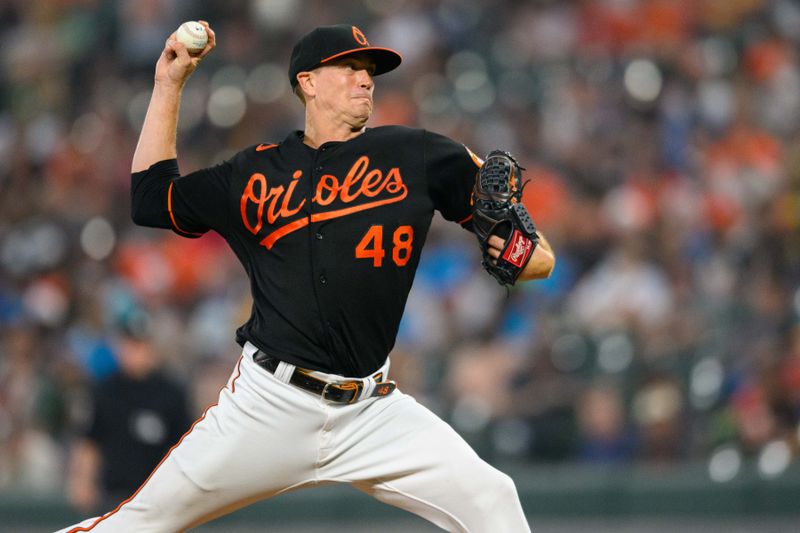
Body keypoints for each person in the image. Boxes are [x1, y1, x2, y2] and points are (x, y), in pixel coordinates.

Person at [59, 21, 554, 532]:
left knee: (495, 499)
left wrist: (517, 252)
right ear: (308, 82)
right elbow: (149, 199)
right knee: (135, 524)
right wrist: (169, 85)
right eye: (350, 68)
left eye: (370, 71)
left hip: (371, 412)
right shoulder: (253, 173)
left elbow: (539, 257)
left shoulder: (419, 154)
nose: (366, 80)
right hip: (268, 405)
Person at [67, 313, 191, 516]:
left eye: (140, 345)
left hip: (158, 497)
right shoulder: (105, 390)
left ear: (152, 347)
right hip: (114, 496)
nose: (135, 352)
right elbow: (91, 440)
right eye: (129, 345)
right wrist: (82, 480)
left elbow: (185, 445)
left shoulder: (172, 392)